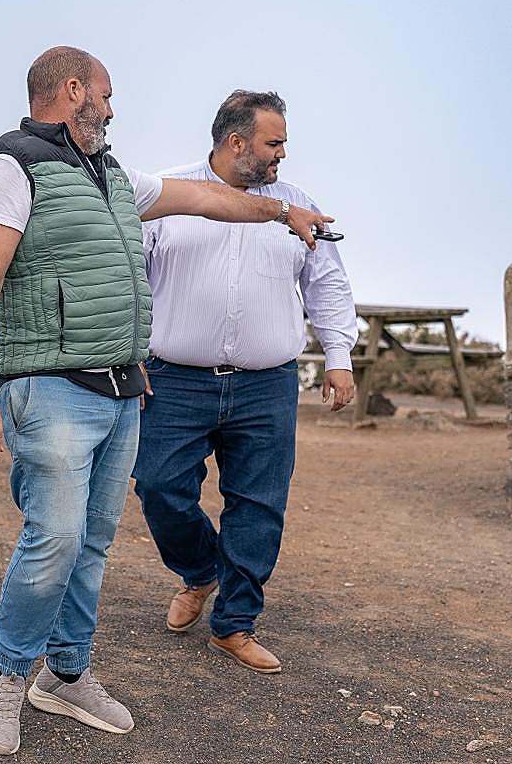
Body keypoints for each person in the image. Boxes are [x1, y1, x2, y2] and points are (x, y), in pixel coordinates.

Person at [0, 45, 332, 756]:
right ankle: (7, 677)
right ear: (74, 91)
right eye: (105, 93)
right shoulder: (11, 167)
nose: (112, 105)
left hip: (121, 390)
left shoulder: (111, 173)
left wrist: (283, 212)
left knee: (93, 541)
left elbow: (208, 199)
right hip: (50, 386)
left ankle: (65, 674)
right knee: (55, 538)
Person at [132, 90, 358, 674]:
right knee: (158, 486)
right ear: (237, 142)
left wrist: (339, 356)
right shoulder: (166, 195)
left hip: (268, 383)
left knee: (259, 504)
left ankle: (234, 623)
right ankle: (202, 570)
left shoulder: (298, 206)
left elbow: (326, 282)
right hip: (174, 379)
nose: (282, 153)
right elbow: (133, 281)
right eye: (273, 142)